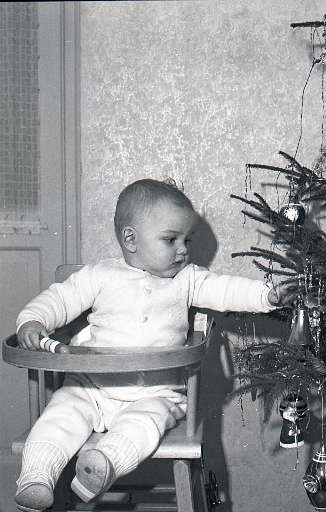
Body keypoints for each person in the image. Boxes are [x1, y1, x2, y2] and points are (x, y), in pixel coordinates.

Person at [14, 178, 296, 512]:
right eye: (170, 239)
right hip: (92, 387)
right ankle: (37, 477)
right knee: (60, 413)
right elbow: (59, 299)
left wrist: (266, 296)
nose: (183, 249)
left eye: (187, 240)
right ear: (130, 239)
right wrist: (33, 321)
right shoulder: (100, 275)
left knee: (145, 424)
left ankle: (103, 464)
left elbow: (226, 290)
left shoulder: (188, 279)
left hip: (156, 391)